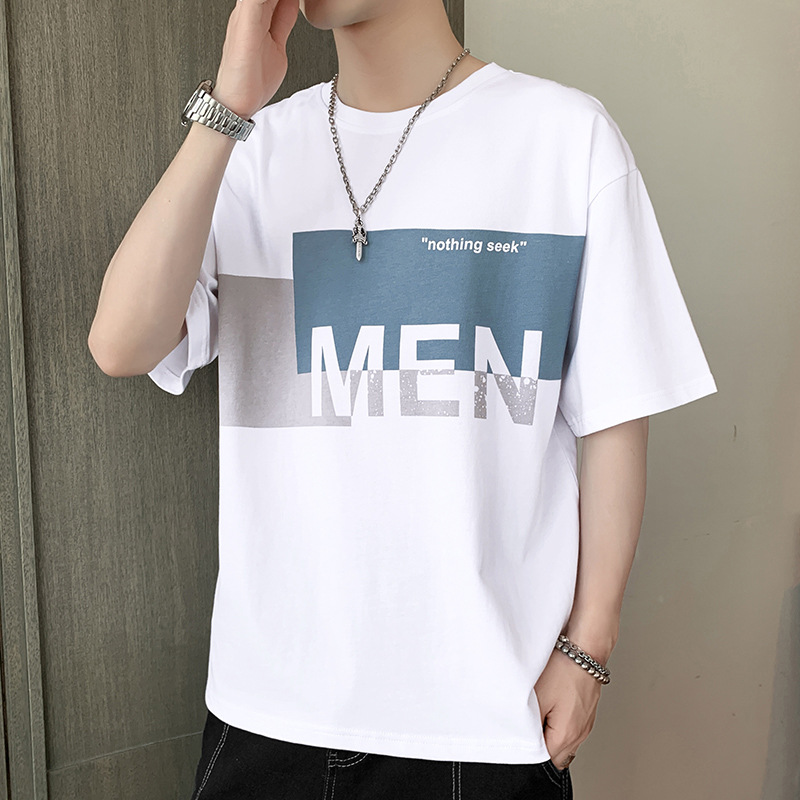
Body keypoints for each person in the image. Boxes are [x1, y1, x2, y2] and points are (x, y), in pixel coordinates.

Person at [87, 0, 718, 797]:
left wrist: (590, 647)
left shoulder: (564, 139)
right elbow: (121, 344)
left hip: (481, 725)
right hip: (269, 716)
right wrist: (228, 110)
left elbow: (616, 414)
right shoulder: (253, 150)